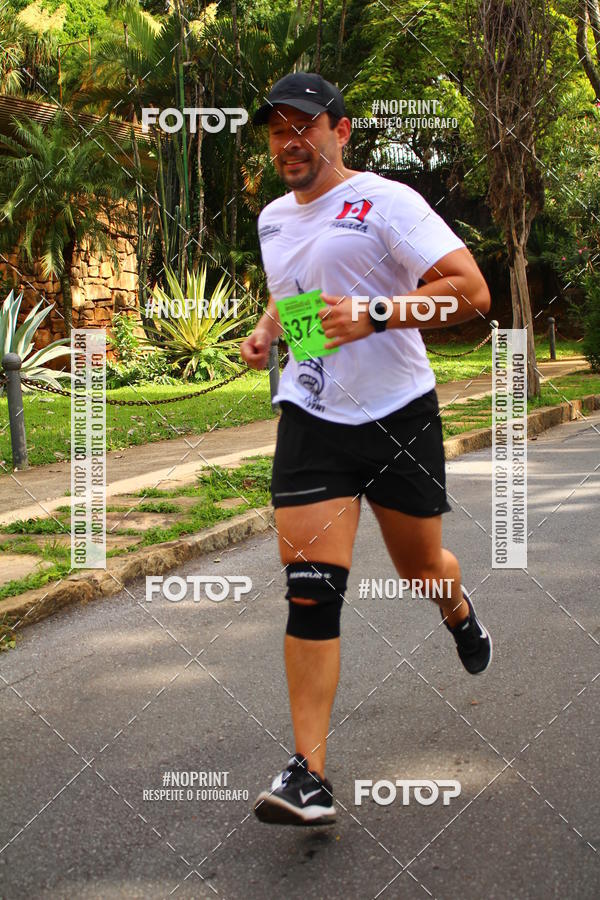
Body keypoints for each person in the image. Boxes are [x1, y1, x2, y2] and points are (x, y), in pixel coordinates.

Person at [240, 72, 492, 827]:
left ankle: (458, 610)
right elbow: (297, 296)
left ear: (340, 131)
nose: (290, 141)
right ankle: (307, 775)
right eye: (278, 129)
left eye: (304, 126)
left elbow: (472, 292)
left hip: (397, 414)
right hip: (313, 417)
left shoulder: (387, 201)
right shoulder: (274, 218)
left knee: (421, 568)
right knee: (311, 587)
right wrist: (270, 332)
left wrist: (380, 312)